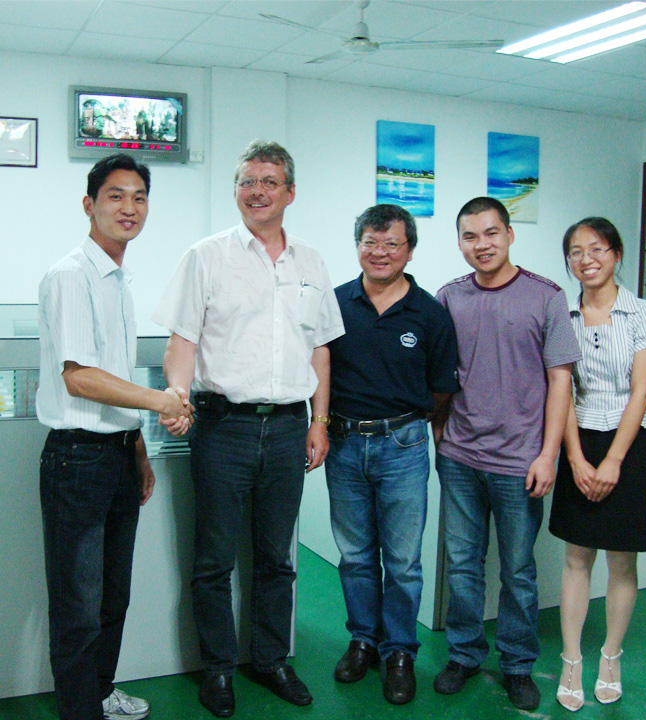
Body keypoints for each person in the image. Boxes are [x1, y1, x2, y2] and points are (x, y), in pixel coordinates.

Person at [153, 140, 344, 717]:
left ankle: (270, 660)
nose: (257, 192)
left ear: (290, 193)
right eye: (246, 182)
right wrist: (177, 395)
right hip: (223, 428)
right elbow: (182, 341)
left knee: (277, 558)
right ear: (236, 190)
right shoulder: (206, 256)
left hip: (288, 428)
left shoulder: (311, 262)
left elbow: (321, 349)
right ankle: (217, 668)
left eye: (268, 182)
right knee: (214, 559)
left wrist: (319, 422)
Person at [36, 153, 194, 720]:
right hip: (77, 459)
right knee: (77, 606)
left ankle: (99, 694)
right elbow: (79, 377)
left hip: (117, 456)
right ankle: (81, 711)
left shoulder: (119, 281)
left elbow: (116, 379)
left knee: (111, 597)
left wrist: (139, 449)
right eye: (115, 195)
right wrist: (162, 402)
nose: (129, 207)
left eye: (139, 197)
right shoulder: (70, 276)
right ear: (89, 205)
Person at [433, 196, 581, 711]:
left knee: (518, 570)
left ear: (510, 235)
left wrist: (548, 455)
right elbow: (440, 375)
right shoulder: (449, 297)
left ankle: (518, 664)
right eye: (470, 236)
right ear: (459, 243)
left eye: (491, 233)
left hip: (520, 461)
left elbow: (561, 380)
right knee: (462, 565)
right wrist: (438, 431)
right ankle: (464, 654)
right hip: (459, 457)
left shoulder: (546, 296)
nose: (482, 244)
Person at [325, 204, 459, 705]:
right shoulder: (335, 303)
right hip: (343, 444)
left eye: (391, 244)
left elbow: (441, 388)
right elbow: (317, 370)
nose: (379, 253)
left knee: (403, 561)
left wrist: (406, 423)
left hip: (403, 445)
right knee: (355, 555)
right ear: (358, 245)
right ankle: (363, 639)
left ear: (410, 250)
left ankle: (399, 650)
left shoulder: (430, 313)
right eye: (370, 243)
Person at [548, 217, 646, 712]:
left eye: (597, 249)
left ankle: (611, 657)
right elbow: (563, 389)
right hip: (580, 439)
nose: (587, 259)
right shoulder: (563, 314)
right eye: (576, 251)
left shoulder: (642, 312)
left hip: (631, 444)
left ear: (617, 254)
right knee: (577, 557)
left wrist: (615, 459)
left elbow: (641, 391)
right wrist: (575, 457)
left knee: (622, 559)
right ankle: (571, 660)